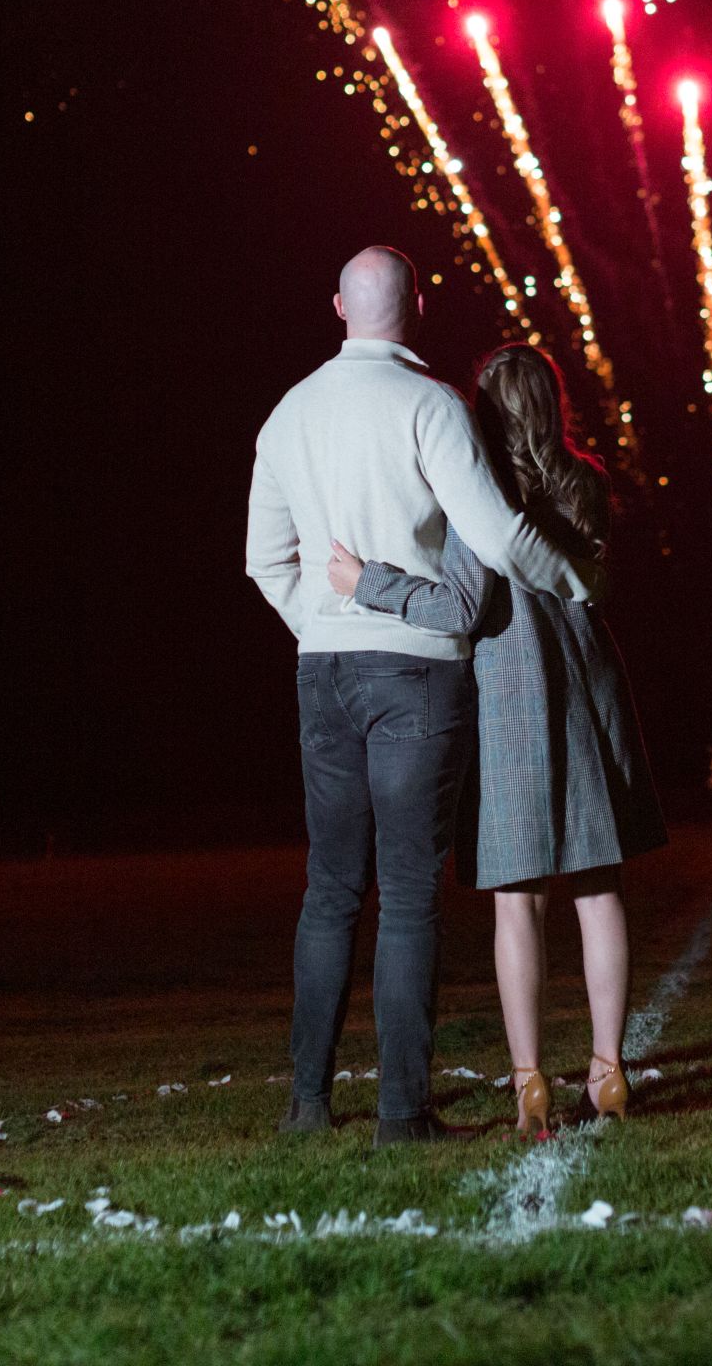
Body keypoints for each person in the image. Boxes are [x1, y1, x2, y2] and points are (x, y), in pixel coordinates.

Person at [244, 247, 595, 1145]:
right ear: (419, 307)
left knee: (330, 888)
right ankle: (402, 1113)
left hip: (324, 665)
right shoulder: (431, 405)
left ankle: (308, 1104)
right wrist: (575, 580)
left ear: (338, 306)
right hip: (417, 668)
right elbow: (497, 537)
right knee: (407, 892)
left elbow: (263, 561)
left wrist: (321, 624)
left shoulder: (287, 412)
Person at [327, 343, 666, 1136]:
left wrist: (367, 583)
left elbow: (462, 607)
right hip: (588, 685)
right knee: (598, 887)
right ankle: (609, 1071)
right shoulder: (587, 483)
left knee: (520, 901)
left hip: (513, 695)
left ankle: (529, 1083)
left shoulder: (477, 496)